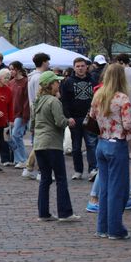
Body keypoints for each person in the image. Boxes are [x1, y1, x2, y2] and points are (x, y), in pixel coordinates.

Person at [89, 63, 131, 240]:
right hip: (117, 144)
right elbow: (128, 125)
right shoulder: (123, 98)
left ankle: (102, 227)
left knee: (105, 188)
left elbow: (92, 117)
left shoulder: (98, 94)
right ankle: (115, 228)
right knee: (118, 189)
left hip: (102, 143)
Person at [31, 70, 79, 222]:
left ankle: (43, 212)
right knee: (60, 178)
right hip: (52, 143)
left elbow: (32, 124)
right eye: (56, 81)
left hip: (39, 144)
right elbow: (59, 121)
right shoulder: (53, 102)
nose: (59, 83)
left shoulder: (37, 101)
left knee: (45, 179)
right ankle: (65, 212)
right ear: (51, 84)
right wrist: (69, 121)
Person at [60, 57, 98, 181]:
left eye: (82, 66)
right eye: (78, 66)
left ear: (86, 67)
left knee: (91, 145)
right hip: (74, 118)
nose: (80, 68)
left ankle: (93, 169)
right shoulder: (67, 82)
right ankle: (78, 170)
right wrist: (68, 116)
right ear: (74, 67)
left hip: (90, 117)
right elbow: (64, 102)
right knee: (76, 147)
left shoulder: (93, 80)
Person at [23, 52, 51, 179]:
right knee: (42, 144)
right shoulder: (40, 77)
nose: (49, 64)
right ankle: (39, 170)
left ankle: (30, 168)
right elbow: (40, 97)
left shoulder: (32, 77)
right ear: (44, 62)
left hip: (35, 112)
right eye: (48, 62)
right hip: (40, 113)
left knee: (39, 143)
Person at [7, 61, 30, 169]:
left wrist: (25, 115)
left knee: (16, 135)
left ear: (18, 69)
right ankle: (18, 158)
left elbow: (26, 99)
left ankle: (23, 159)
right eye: (10, 69)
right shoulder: (11, 82)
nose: (11, 71)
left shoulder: (25, 82)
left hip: (20, 113)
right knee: (13, 136)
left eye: (12, 69)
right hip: (12, 113)